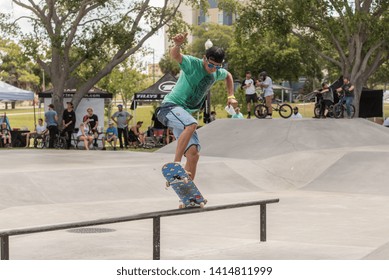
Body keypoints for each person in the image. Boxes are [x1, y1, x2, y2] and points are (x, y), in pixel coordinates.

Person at [157, 32, 237, 180]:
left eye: (217, 66)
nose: (213, 69)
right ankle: (176, 164)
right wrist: (177, 45)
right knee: (192, 124)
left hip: (184, 115)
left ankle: (188, 194)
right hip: (169, 107)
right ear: (204, 59)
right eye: (210, 64)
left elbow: (228, 76)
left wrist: (231, 96)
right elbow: (176, 56)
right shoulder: (192, 64)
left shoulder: (217, 72)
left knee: (194, 154)